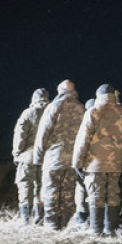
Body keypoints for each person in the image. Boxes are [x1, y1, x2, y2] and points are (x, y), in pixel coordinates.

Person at [72, 84, 122, 236]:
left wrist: (77, 163)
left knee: (95, 197)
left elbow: (83, 140)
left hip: (94, 164)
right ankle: (111, 230)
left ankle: (96, 231)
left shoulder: (93, 112)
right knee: (113, 196)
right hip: (116, 164)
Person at [34, 79, 85, 230]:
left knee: (51, 191)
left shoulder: (54, 106)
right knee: (68, 193)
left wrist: (38, 157)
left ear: (60, 91)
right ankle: (64, 223)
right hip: (73, 160)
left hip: (53, 158)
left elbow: (43, 133)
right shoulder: (81, 108)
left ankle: (51, 224)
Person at [12, 88, 49, 225]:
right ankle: (40, 218)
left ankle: (26, 220)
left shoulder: (28, 113)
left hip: (28, 155)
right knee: (42, 187)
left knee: (25, 185)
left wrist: (17, 153)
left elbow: (20, 135)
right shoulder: (52, 112)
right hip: (46, 157)